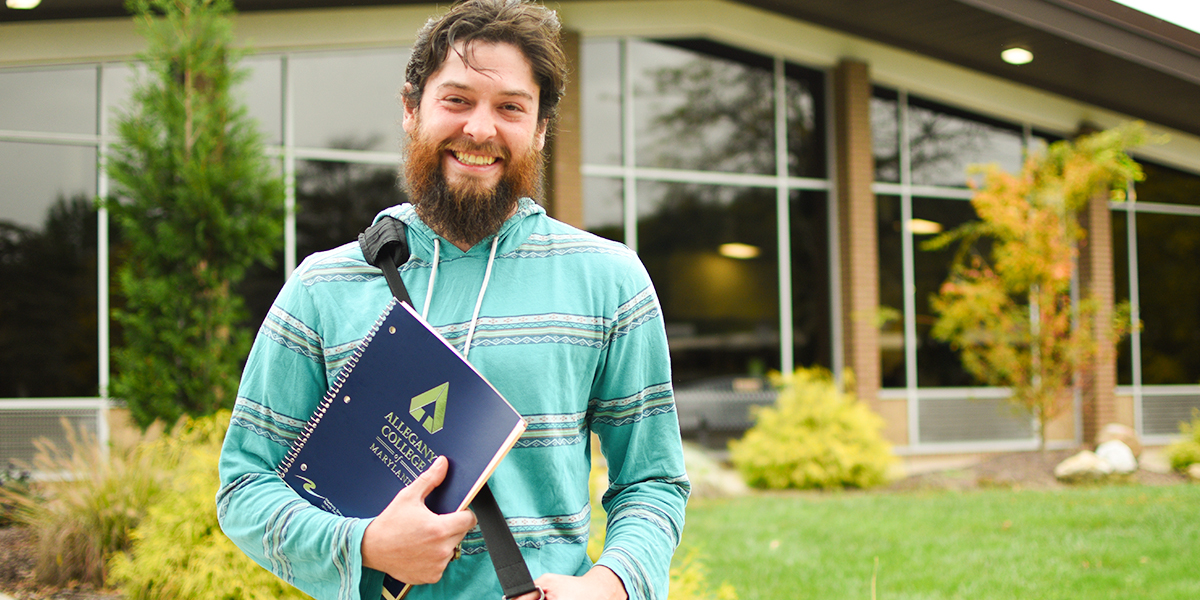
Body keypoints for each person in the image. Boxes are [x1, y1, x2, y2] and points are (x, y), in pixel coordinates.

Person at [216, 1, 690, 599]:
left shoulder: (609, 281)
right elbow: (245, 485)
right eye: (457, 100)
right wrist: (363, 545)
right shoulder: (322, 288)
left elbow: (652, 480)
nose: (480, 130)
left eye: (511, 108)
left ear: (541, 129)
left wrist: (610, 585)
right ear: (412, 109)